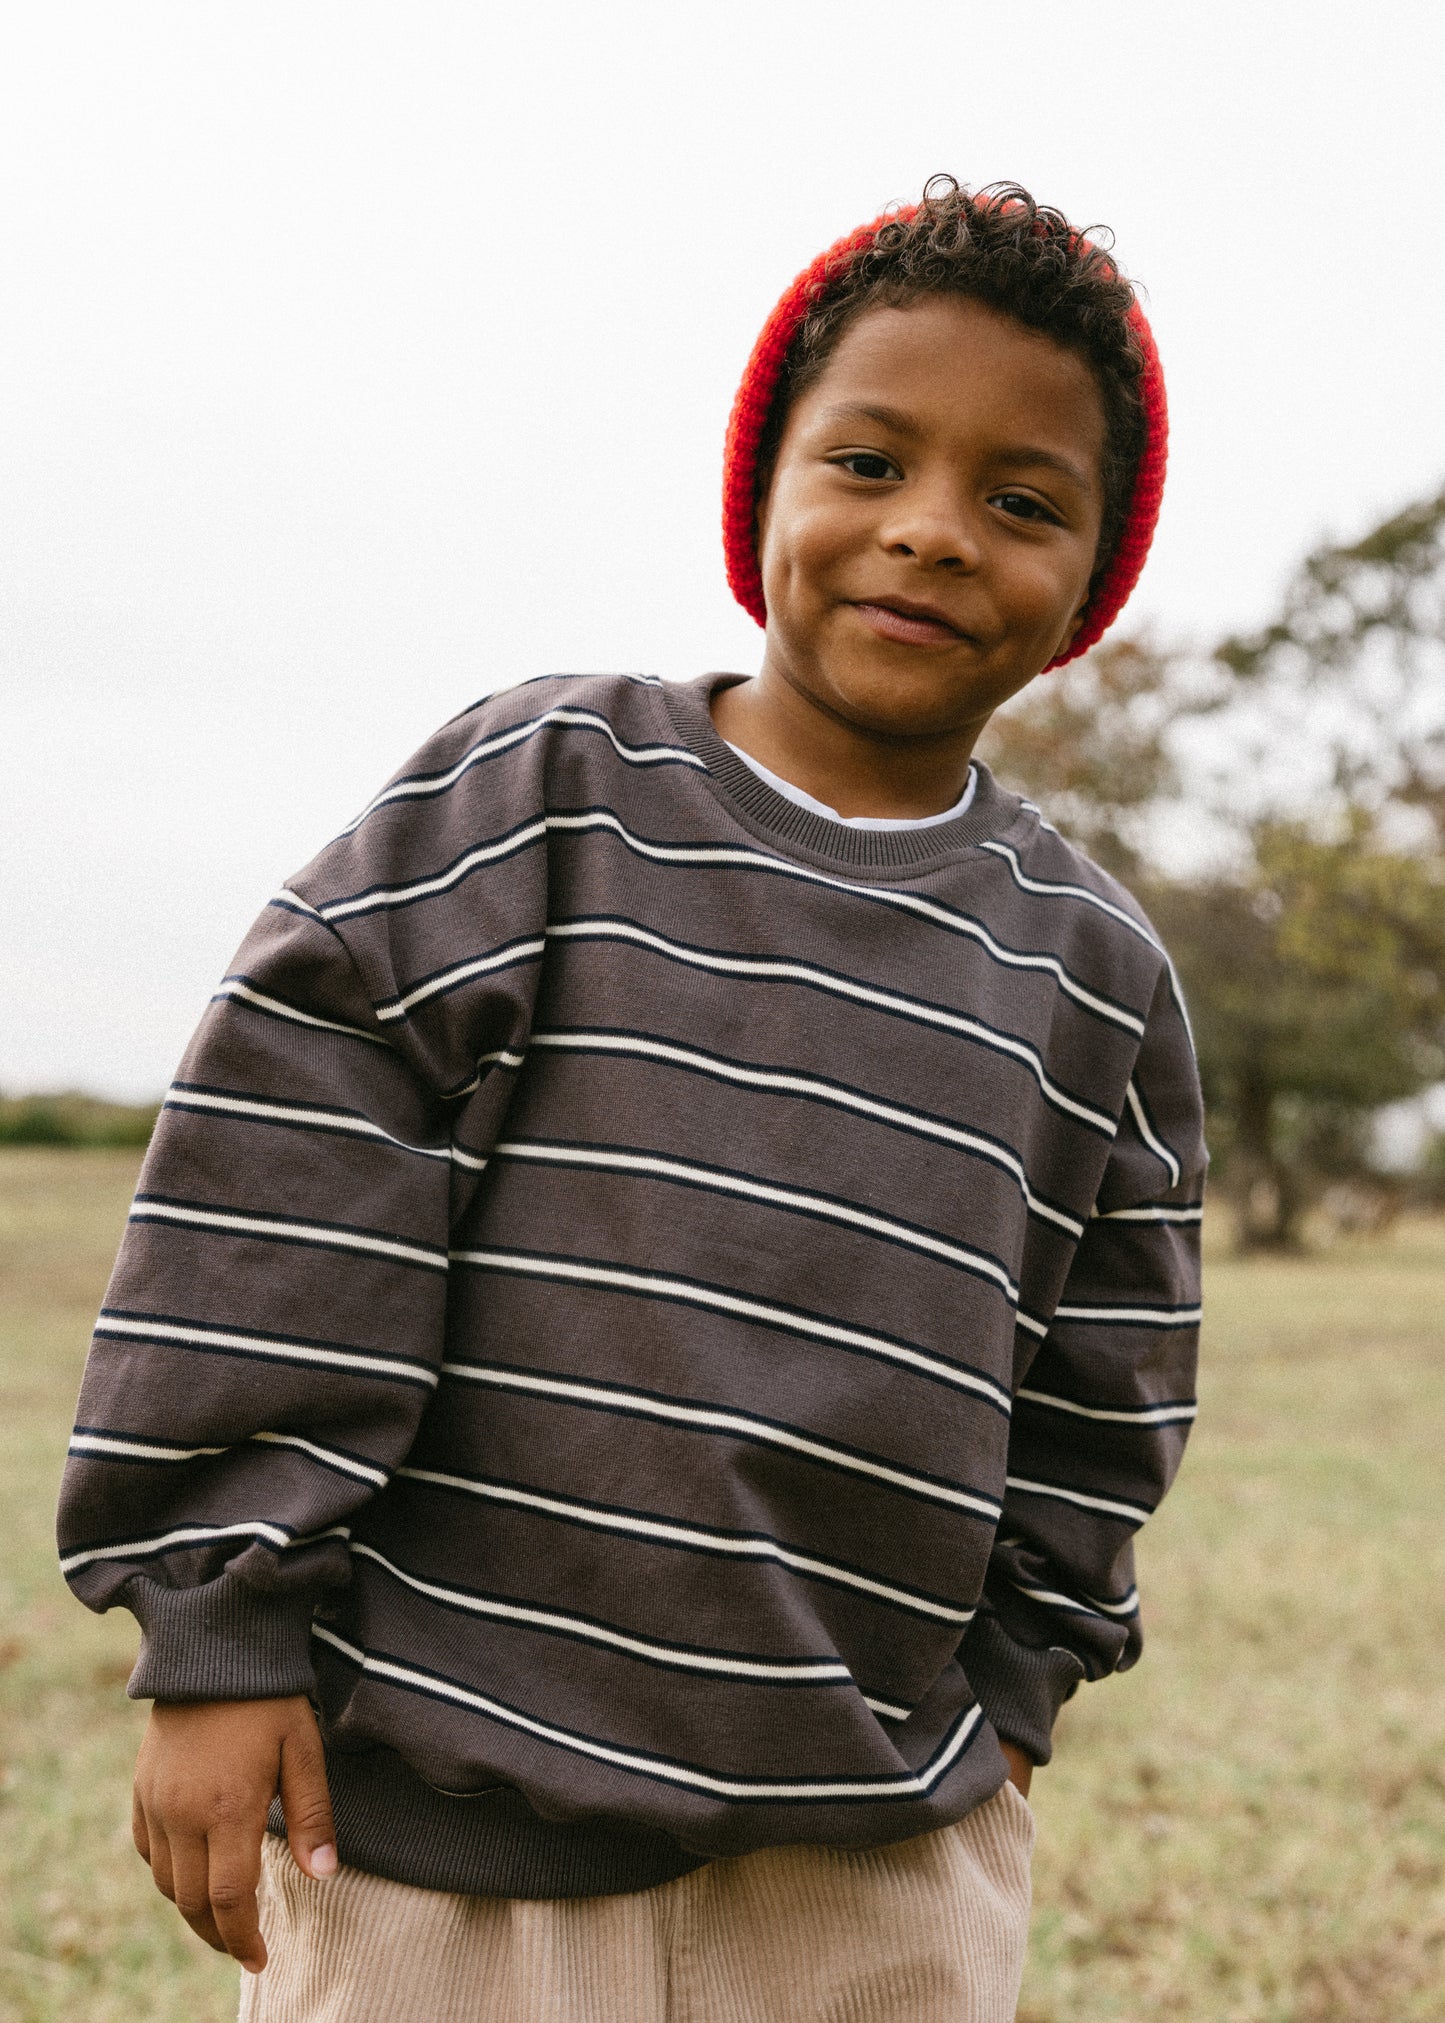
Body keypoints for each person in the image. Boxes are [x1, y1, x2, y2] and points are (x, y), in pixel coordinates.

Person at [58, 176, 1204, 2022]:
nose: (928, 533)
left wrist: (1016, 1690)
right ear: (764, 492)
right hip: (437, 1838)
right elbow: (291, 1174)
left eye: (1018, 502)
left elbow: (1108, 1374)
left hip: (869, 1868)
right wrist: (221, 1631)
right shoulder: (543, 796)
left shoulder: (1090, 969)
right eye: (868, 463)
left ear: (1090, 581)